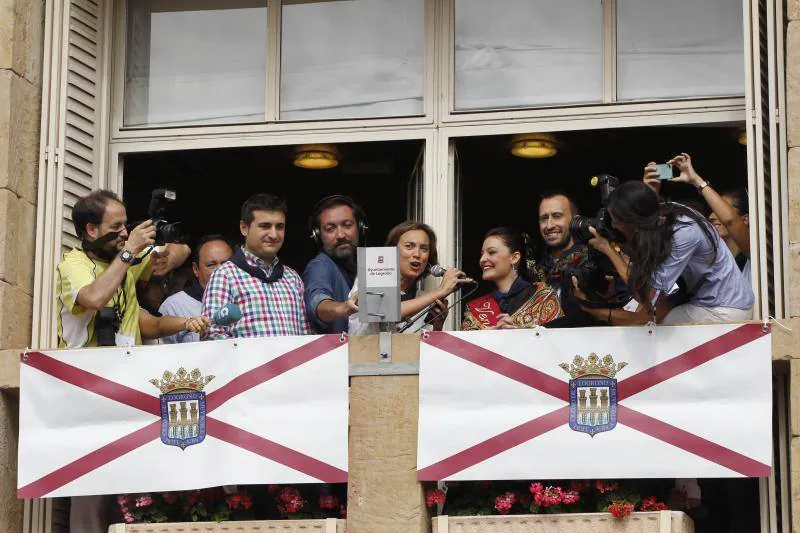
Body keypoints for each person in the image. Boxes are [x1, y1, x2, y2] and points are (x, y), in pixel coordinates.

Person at [56, 190, 208, 533]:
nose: (125, 232)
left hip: (128, 388)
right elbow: (94, 297)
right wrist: (130, 252)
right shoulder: (73, 264)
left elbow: (181, 254)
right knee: (92, 492)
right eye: (117, 226)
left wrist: (162, 250)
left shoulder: (123, 262)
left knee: (132, 492)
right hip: (88, 394)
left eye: (127, 225)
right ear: (91, 230)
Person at [583, 181, 753, 324]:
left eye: (616, 221)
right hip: (710, 302)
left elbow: (649, 299)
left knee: (649, 325)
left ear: (632, 221)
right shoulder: (666, 213)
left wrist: (609, 250)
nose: (613, 226)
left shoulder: (683, 232)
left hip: (725, 309)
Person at [202, 194, 311, 339]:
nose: (273, 234)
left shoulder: (292, 278)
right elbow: (212, 334)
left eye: (279, 227)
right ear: (244, 228)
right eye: (265, 226)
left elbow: (305, 336)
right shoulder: (225, 275)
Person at [643, 153, 751, 285]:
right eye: (713, 211)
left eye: (721, 211)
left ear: (745, 220)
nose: (711, 216)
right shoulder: (707, 255)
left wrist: (696, 180)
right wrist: (651, 194)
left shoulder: (754, 256)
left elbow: (731, 221)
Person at [348, 221, 471, 335]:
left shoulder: (424, 299)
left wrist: (437, 325)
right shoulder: (372, 274)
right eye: (409, 246)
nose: (417, 254)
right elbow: (386, 312)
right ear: (392, 251)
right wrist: (440, 291)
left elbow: (427, 351)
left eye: (424, 248)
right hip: (364, 356)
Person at [462, 227, 563, 330]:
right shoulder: (476, 308)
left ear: (514, 258)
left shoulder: (543, 298)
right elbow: (462, 346)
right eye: (482, 254)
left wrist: (518, 333)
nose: (482, 259)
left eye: (492, 252)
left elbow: (558, 342)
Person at [303, 195, 366, 334]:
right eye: (330, 228)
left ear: (360, 227)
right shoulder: (319, 266)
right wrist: (343, 308)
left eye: (347, 225)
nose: (341, 235)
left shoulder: (362, 266)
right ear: (318, 235)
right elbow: (318, 303)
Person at [159, 235, 233, 343]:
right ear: (195, 269)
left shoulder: (247, 300)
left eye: (226, 264)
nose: (220, 271)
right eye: (211, 265)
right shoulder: (174, 306)